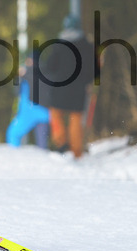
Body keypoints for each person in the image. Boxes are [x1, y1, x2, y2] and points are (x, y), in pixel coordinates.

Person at [36, 15, 97, 159]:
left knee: (56, 114)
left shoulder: (58, 45)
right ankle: (76, 152)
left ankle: (61, 143)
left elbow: (50, 66)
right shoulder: (86, 45)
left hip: (60, 88)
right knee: (76, 118)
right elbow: (92, 69)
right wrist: (86, 81)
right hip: (79, 88)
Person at [5, 51, 49, 148]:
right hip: (46, 112)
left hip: (29, 109)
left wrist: (18, 76)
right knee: (42, 141)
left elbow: (17, 91)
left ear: (30, 61)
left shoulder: (26, 72)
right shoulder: (48, 72)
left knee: (13, 134)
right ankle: (44, 157)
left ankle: (14, 155)